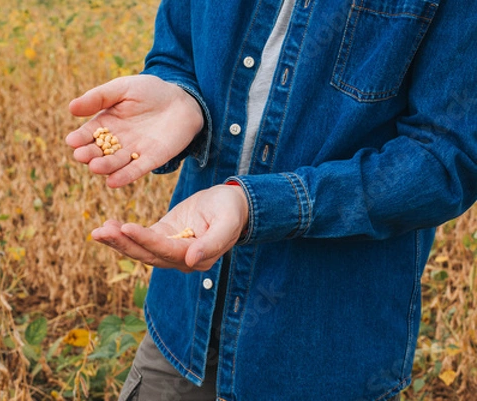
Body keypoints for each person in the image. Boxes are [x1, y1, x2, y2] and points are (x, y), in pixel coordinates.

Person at [65, 0, 477, 399]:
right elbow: (178, 51)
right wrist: (182, 99)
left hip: (319, 347)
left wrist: (259, 206)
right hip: (187, 320)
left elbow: (445, 159)